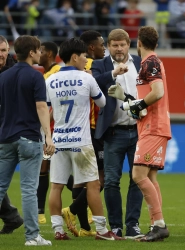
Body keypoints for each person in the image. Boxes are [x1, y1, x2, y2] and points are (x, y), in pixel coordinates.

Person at [47, 38, 122, 241]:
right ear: (74, 56)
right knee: (93, 184)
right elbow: (103, 103)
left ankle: (57, 231)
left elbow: (46, 110)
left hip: (58, 140)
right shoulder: (86, 78)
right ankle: (102, 230)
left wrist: (47, 137)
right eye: (84, 56)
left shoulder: (50, 80)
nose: (86, 60)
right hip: (81, 140)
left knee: (56, 186)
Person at [108, 25, 171, 242]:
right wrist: (125, 99)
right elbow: (142, 106)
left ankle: (159, 224)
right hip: (151, 124)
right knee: (150, 176)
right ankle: (156, 224)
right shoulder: (152, 62)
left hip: (152, 127)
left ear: (139, 44)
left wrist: (137, 105)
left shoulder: (149, 62)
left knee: (137, 176)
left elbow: (157, 94)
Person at [0, 35, 55, 246]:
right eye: (38, 50)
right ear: (31, 52)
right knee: (29, 190)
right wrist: (48, 136)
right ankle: (32, 236)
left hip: (5, 138)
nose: (40, 53)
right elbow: (42, 107)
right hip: (29, 139)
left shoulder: (3, 77)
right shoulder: (35, 77)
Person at [91, 28, 144, 239]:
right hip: (113, 133)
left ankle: (132, 225)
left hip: (139, 130)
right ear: (108, 47)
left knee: (137, 180)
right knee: (112, 181)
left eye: (122, 44)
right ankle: (115, 226)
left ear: (128, 44)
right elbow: (94, 83)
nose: (119, 48)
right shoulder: (100, 65)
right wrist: (114, 73)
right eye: (114, 45)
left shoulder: (140, 63)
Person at [61, 30, 106, 237]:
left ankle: (85, 228)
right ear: (90, 48)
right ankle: (72, 210)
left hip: (77, 130)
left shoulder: (78, 69)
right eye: (101, 44)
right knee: (100, 179)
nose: (103, 48)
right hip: (92, 129)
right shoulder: (87, 69)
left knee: (80, 180)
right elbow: (100, 98)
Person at [36, 41, 62, 224]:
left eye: (42, 51)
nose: (39, 53)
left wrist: (47, 132)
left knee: (54, 171)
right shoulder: (46, 74)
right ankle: (39, 213)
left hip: (53, 131)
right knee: (45, 169)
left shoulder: (55, 74)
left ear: (51, 54)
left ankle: (82, 204)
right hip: (48, 130)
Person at [0, 35, 23, 235]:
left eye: (3, 50)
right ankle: (11, 217)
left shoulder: (13, 72)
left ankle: (11, 217)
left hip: (8, 131)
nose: (1, 54)